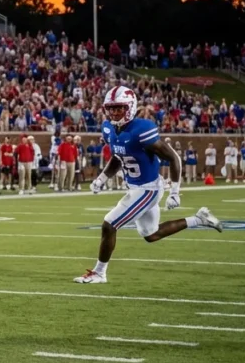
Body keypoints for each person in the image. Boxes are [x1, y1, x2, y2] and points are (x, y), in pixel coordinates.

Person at [75, 86, 223, 284]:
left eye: (119, 108)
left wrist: (175, 192)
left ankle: (99, 272)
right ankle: (199, 219)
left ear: (130, 107)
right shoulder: (109, 128)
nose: (114, 113)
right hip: (136, 187)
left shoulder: (141, 129)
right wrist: (102, 178)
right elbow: (119, 156)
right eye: (111, 108)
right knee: (151, 234)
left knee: (109, 225)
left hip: (147, 188)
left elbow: (173, 157)